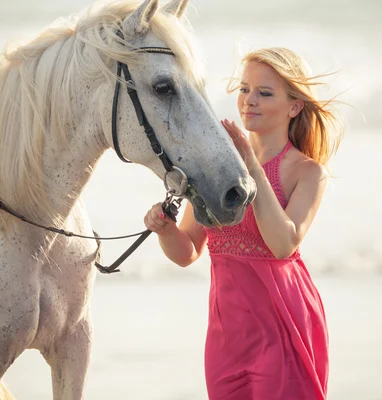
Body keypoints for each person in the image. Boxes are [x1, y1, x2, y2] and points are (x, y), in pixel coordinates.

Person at [144, 47, 343, 400]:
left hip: (282, 325)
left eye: (264, 93)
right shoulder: (215, 168)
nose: (249, 100)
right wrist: (165, 230)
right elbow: (188, 251)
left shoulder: (308, 173)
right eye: (244, 88)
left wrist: (250, 165)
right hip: (226, 336)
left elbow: (284, 244)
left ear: (294, 106)